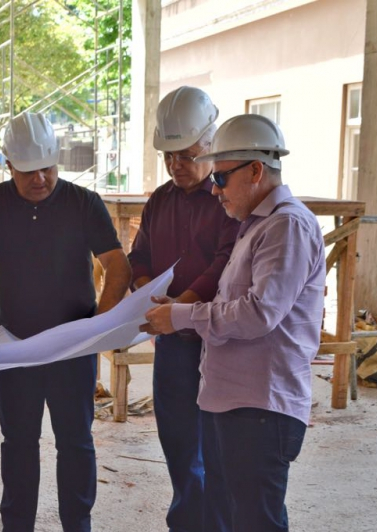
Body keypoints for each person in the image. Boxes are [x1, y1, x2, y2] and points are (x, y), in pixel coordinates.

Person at [0, 112, 131, 532]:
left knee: (76, 442)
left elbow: (117, 266)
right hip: (13, 346)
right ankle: (17, 524)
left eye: (48, 168)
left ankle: (77, 524)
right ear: (8, 164)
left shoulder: (83, 203)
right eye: (29, 171)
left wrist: (97, 326)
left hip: (72, 348)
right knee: (18, 443)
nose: (40, 179)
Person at [143, 114, 326, 532]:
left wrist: (180, 315)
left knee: (255, 520)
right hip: (234, 404)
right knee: (227, 514)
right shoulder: (255, 226)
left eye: (221, 178)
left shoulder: (286, 226)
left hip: (260, 409)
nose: (215, 189)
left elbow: (258, 313)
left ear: (256, 170)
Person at [128, 86, 239, 532]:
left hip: (218, 341)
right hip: (173, 344)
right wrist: (146, 292)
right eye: (169, 156)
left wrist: (179, 308)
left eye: (187, 155)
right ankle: (187, 522)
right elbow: (139, 255)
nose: (177, 165)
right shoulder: (160, 199)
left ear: (211, 145)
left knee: (218, 446)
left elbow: (223, 264)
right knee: (176, 439)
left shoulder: (228, 198)